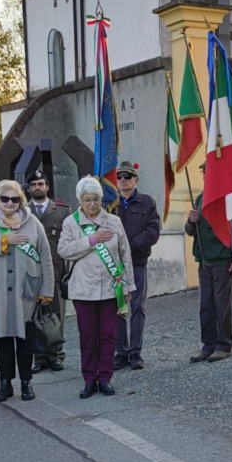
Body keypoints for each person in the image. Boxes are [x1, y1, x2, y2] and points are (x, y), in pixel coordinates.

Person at [0, 179, 54, 403]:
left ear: (21, 201)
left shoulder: (32, 222)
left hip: (26, 290)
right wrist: (4, 240)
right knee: (2, 338)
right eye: (5, 198)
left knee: (25, 338)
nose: (10, 203)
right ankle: (5, 383)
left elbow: (45, 256)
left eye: (15, 199)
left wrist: (46, 289)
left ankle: (26, 382)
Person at [59, 176, 135, 398]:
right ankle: (89, 379)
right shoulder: (71, 222)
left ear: (102, 200)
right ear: (79, 201)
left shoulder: (114, 221)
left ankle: (105, 378)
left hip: (111, 288)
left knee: (108, 335)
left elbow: (125, 254)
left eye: (95, 199)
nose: (92, 204)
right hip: (83, 290)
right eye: (86, 200)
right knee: (88, 337)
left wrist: (129, 286)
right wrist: (91, 240)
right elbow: (63, 250)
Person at [113, 160, 161, 371]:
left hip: (137, 262)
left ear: (136, 180)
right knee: (117, 307)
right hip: (113, 265)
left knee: (137, 307)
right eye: (120, 177)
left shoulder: (147, 202)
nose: (123, 180)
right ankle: (121, 352)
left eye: (128, 177)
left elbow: (152, 232)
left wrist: (128, 248)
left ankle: (135, 353)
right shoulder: (110, 204)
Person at [184, 162, 232, 363]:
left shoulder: (227, 197)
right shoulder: (200, 197)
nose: (205, 175)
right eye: (204, 172)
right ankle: (208, 344)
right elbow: (190, 231)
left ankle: (223, 345)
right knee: (206, 305)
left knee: (222, 304)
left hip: (223, 258)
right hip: (204, 260)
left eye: (209, 172)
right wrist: (191, 220)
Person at [24, 168, 70, 373]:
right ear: (28, 189)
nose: (37, 187)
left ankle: (56, 356)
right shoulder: (21, 212)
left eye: (41, 184)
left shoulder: (63, 211)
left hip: (55, 271)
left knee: (55, 315)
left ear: (48, 187)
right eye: (33, 185)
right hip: (29, 273)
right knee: (32, 316)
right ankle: (38, 357)